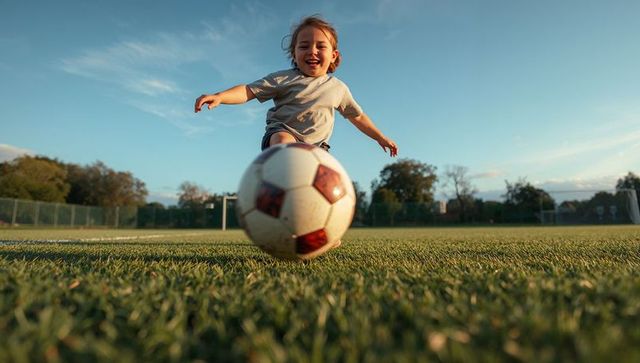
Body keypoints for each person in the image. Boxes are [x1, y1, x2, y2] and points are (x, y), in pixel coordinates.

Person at [194, 15, 398, 157]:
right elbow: (248, 91)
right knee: (283, 142)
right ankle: (277, 183)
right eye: (304, 46)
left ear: (333, 55)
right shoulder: (284, 79)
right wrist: (220, 96)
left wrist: (380, 137)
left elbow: (358, 117)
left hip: (318, 147)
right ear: (294, 54)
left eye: (321, 46)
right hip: (282, 134)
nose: (312, 51)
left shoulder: (338, 88)